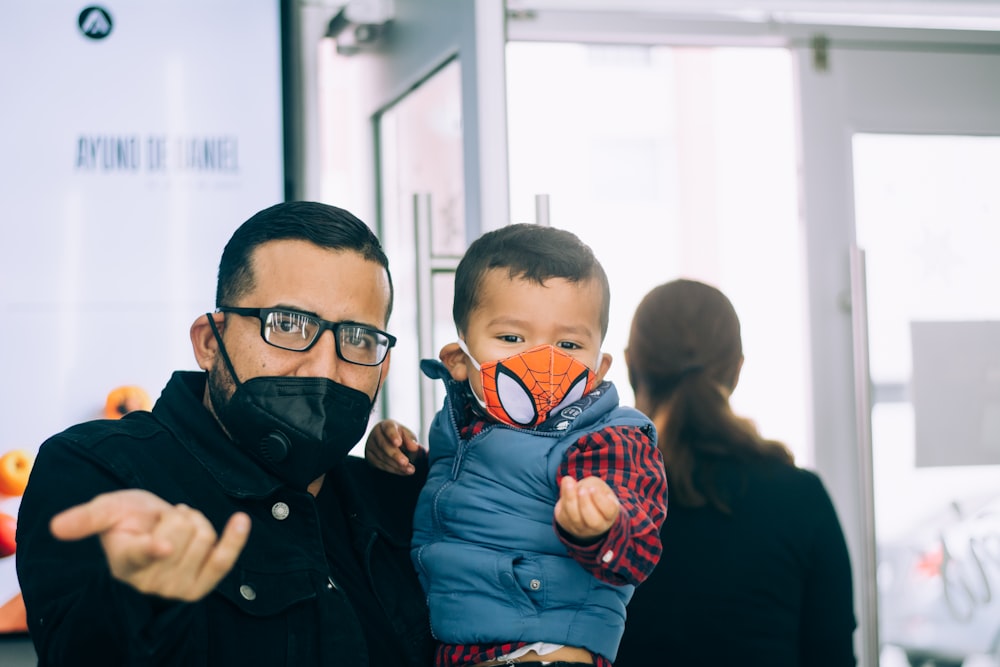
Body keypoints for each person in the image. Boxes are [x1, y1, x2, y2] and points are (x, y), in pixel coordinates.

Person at [15, 201, 434, 666]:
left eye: (357, 338)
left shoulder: (403, 498)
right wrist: (140, 597)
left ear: (385, 363)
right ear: (210, 342)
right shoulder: (100, 473)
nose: (324, 367)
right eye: (289, 325)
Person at [366, 223, 668, 667]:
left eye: (568, 343)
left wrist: (600, 527)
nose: (540, 360)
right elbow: (471, 500)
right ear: (458, 360)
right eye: (511, 338)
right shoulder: (457, 427)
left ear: (599, 368)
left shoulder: (606, 437)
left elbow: (637, 550)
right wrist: (403, 458)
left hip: (544, 654)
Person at [614, 278, 857, 667]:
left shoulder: (597, 499)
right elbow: (833, 657)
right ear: (736, 369)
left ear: (630, 365)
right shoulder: (802, 498)